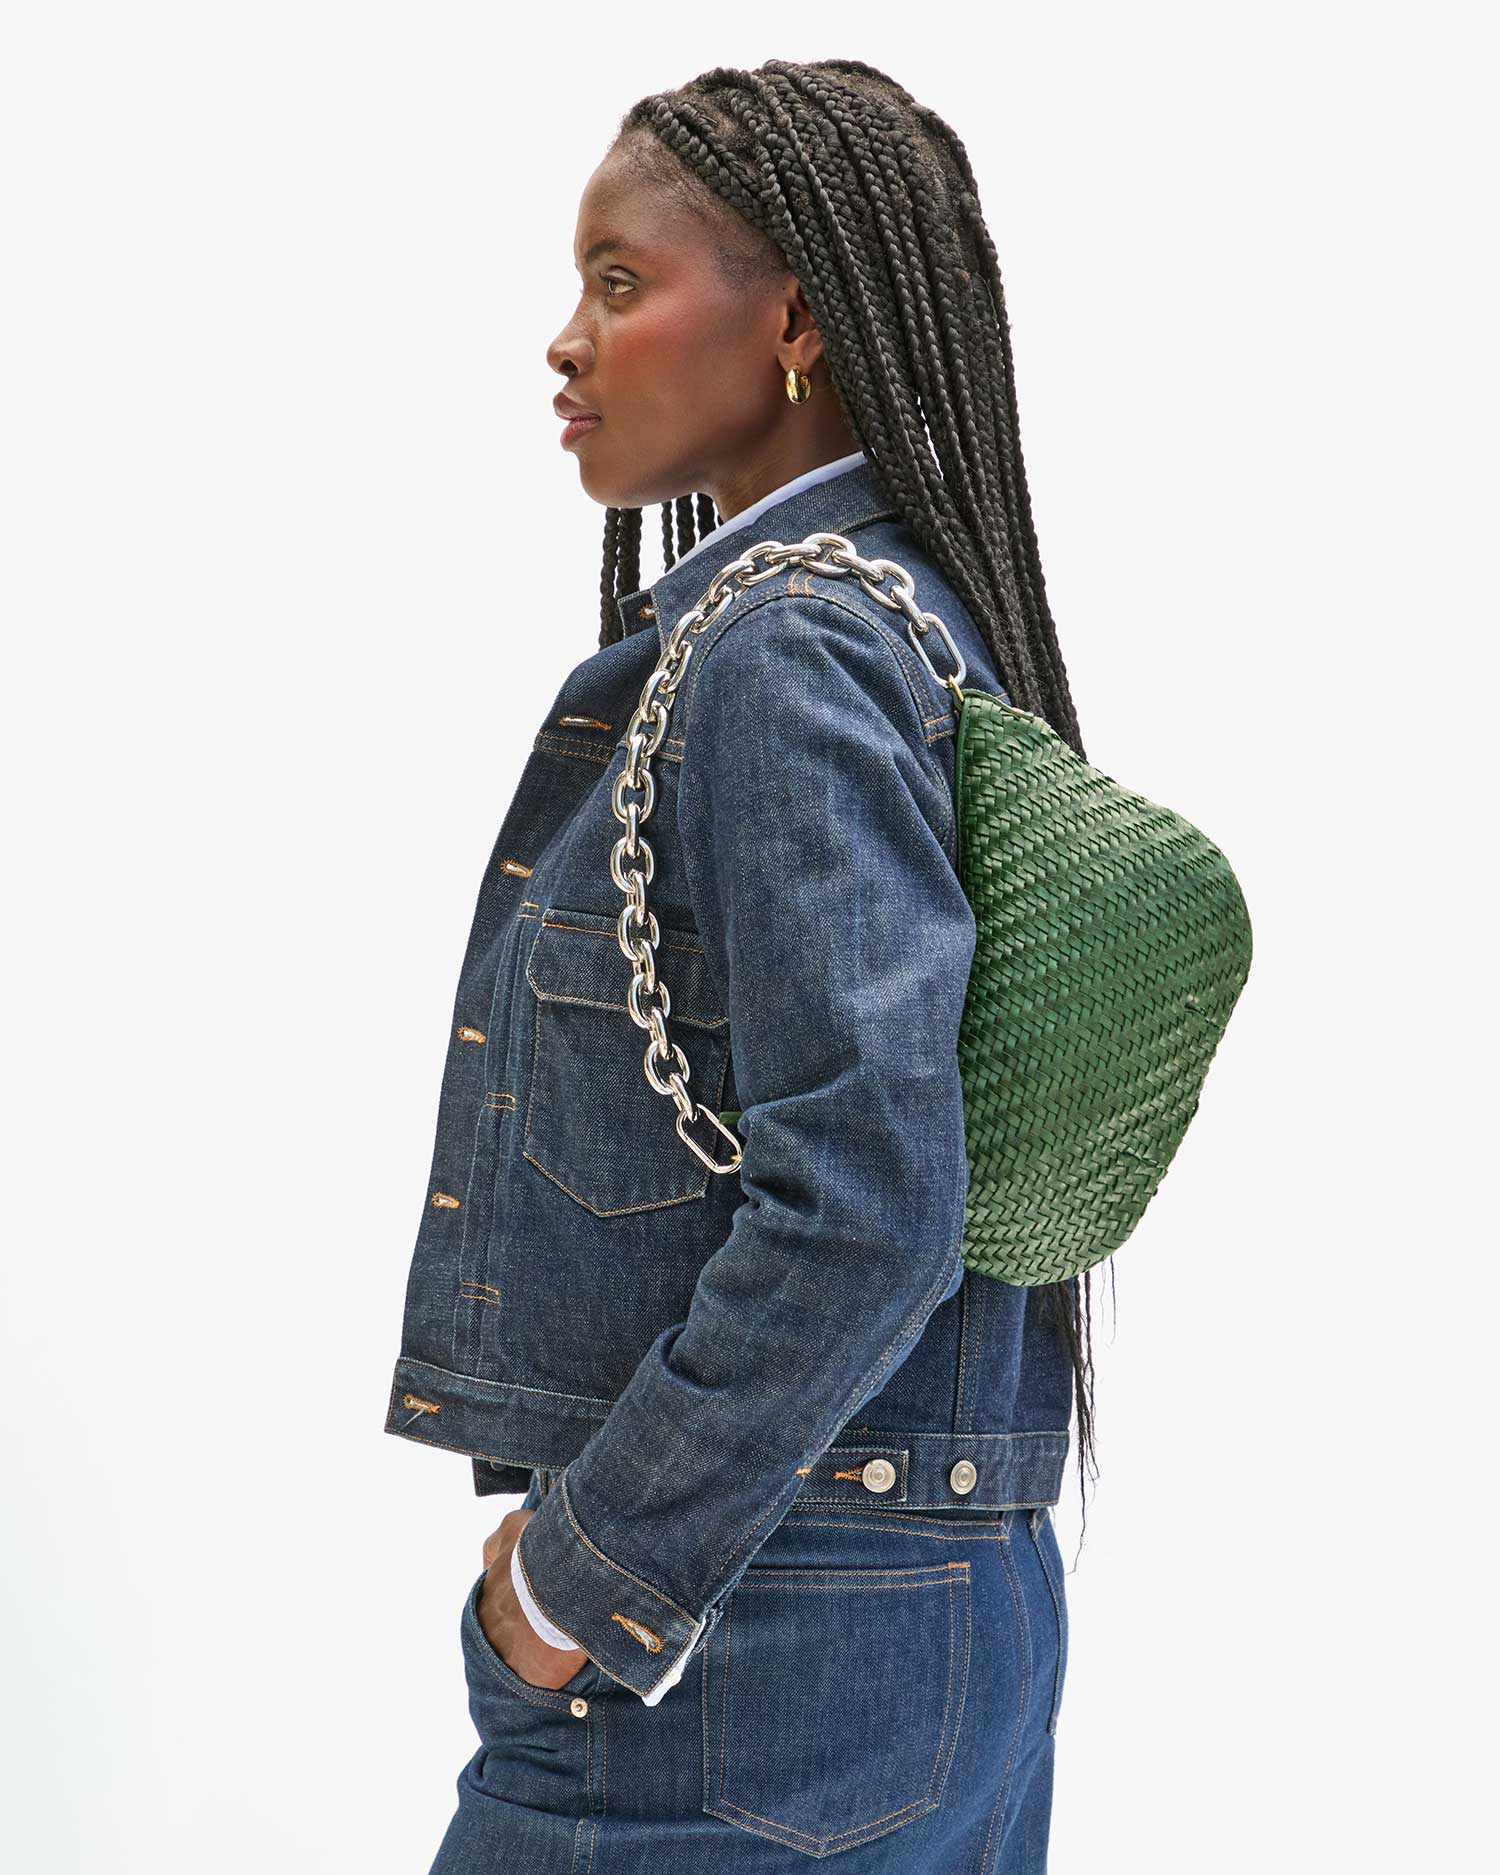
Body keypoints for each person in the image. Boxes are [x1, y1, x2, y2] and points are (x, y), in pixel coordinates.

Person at [387, 57, 1096, 1873]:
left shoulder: (785, 650)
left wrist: (580, 1576)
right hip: (943, 1599)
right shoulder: (921, 623)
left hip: (758, 1645)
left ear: (791, 320)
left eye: (622, 283)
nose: (567, 340)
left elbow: (868, 1192)